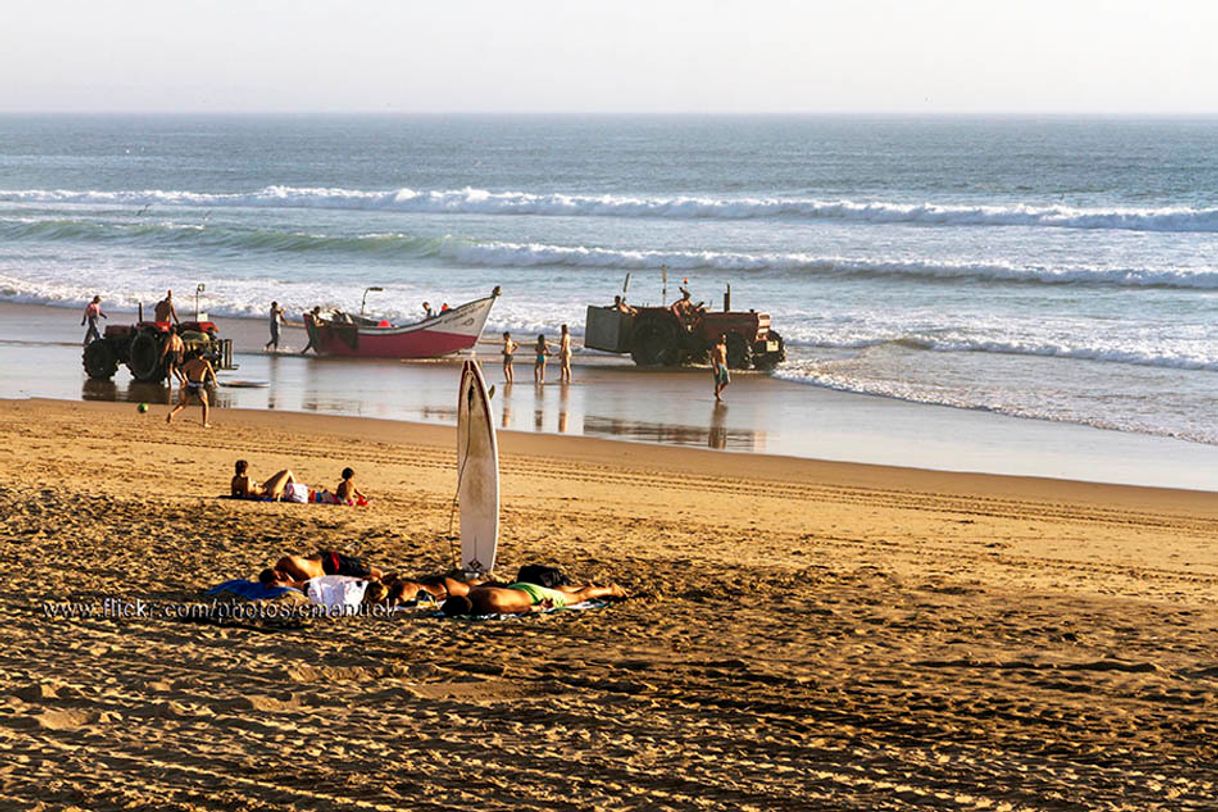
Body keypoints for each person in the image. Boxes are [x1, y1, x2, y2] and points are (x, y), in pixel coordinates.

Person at [441, 581, 628, 617]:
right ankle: (584, 587)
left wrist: (541, 608)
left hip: (534, 596)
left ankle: (608, 590)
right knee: (558, 591)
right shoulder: (473, 594)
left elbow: (521, 609)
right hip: (520, 587)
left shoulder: (489, 606)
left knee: (580, 597)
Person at [259, 550, 385, 587]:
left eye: (279, 575)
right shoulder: (286, 571)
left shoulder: (289, 564)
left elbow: (315, 582)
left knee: (379, 574)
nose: (282, 577)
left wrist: (289, 583)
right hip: (330, 571)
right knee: (371, 580)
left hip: (332, 563)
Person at [166, 349, 218, 427]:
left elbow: (183, 370)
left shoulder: (191, 362)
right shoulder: (205, 363)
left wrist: (185, 379)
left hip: (190, 384)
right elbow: (212, 374)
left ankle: (172, 413)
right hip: (199, 385)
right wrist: (215, 382)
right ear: (203, 355)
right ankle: (205, 423)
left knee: (183, 404)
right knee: (205, 404)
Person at [230, 459, 305, 501]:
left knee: (282, 473)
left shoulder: (234, 480)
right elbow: (247, 496)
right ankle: (298, 494)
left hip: (264, 488)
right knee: (288, 472)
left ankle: (295, 493)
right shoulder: (247, 479)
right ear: (245, 469)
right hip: (268, 492)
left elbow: (234, 495)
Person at [711, 333, 730, 402]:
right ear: (719, 338)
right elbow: (713, 358)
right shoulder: (716, 347)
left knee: (727, 381)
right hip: (718, 365)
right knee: (718, 382)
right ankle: (718, 396)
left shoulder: (724, 346)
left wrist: (727, 367)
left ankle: (717, 392)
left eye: (725, 338)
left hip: (724, 365)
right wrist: (715, 367)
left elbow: (725, 357)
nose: (724, 340)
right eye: (723, 338)